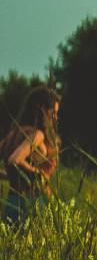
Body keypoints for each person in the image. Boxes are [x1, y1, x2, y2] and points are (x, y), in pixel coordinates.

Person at [3, 86, 60, 227]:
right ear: (41, 109)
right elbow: (15, 159)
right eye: (53, 112)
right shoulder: (37, 134)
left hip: (11, 201)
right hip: (31, 202)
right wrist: (39, 174)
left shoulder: (12, 135)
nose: (55, 118)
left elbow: (13, 162)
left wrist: (9, 176)